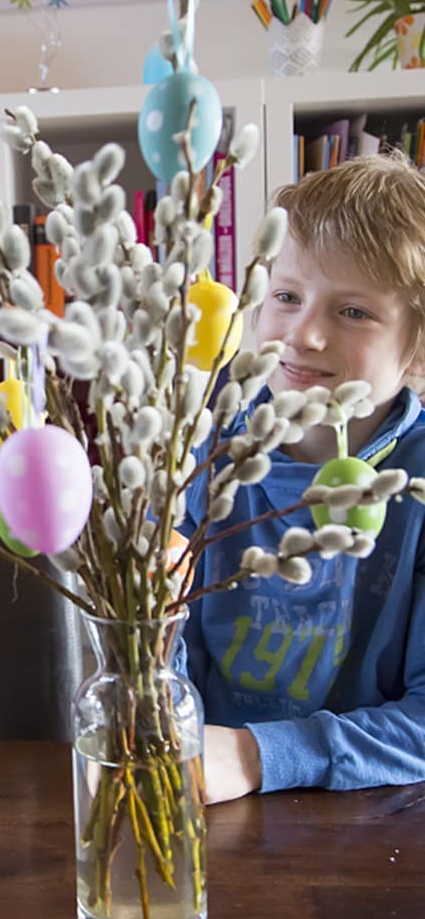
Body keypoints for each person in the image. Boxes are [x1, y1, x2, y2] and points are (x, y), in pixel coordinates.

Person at [181, 152, 425, 803]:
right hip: (202, 801)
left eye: (354, 312)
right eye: (286, 297)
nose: (304, 334)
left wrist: (263, 755)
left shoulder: (419, 483)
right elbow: (151, 674)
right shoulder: (196, 441)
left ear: (418, 346)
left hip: (375, 819)